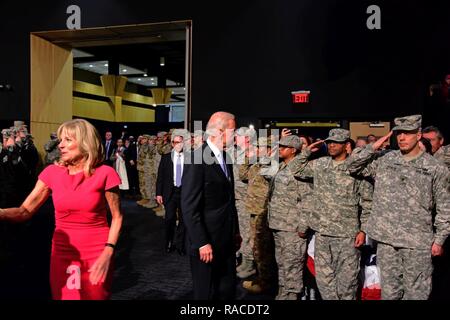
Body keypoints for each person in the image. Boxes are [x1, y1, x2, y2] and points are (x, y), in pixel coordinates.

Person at [0, 119, 123, 300]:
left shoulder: (105, 173)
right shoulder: (51, 173)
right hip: (62, 251)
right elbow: (24, 211)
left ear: (84, 143)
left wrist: (108, 251)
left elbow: (117, 217)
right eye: (60, 140)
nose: (61, 145)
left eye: (67, 140)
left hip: (97, 251)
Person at [348, 115, 450, 300]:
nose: (402, 138)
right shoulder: (385, 160)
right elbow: (352, 165)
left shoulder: (435, 168)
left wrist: (440, 239)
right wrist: (374, 146)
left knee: (416, 294)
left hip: (417, 242)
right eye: (398, 133)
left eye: (408, 133)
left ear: (418, 135)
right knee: (389, 294)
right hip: (387, 240)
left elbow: (445, 206)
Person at [296, 129, 371, 300]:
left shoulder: (355, 168)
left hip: (347, 235)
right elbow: (297, 170)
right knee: (324, 280)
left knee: (347, 283)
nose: (331, 145)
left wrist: (363, 230)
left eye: (336, 142)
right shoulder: (321, 164)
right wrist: (306, 151)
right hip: (323, 233)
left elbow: (367, 203)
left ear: (346, 146)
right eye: (329, 142)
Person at [181, 111, 240, 300]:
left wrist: (235, 231)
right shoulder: (197, 159)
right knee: (205, 294)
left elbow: (229, 200)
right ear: (220, 131)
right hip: (206, 243)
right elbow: (189, 206)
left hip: (226, 240)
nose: (236, 135)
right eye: (234, 130)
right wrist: (201, 242)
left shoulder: (226, 159)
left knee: (226, 290)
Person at [156, 130, 188, 255]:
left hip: (184, 193)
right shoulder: (166, 158)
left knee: (184, 220)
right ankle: (169, 241)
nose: (178, 145)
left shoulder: (188, 158)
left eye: (180, 142)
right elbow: (161, 177)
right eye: (176, 142)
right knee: (169, 218)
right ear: (172, 144)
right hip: (170, 192)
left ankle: (180, 245)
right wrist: (159, 193)